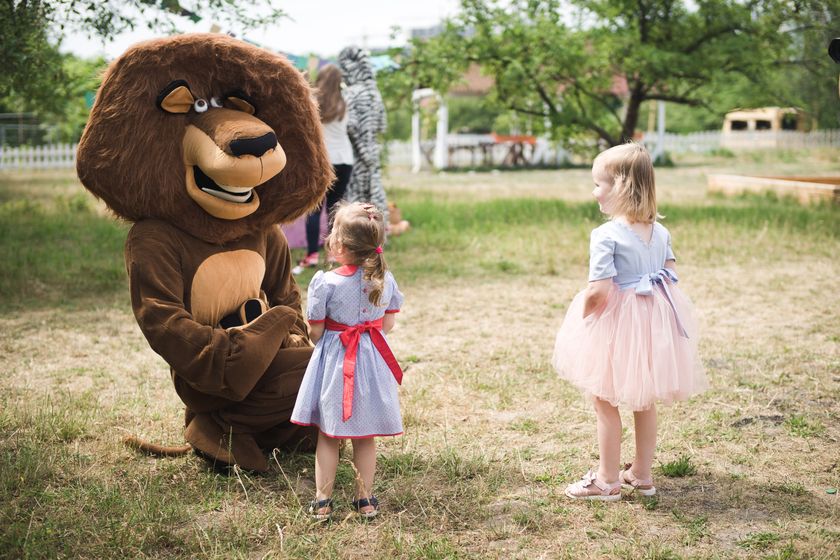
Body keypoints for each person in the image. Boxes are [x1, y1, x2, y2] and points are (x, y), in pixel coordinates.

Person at [552, 142, 706, 501]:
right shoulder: (660, 232)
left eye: (598, 184)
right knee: (643, 398)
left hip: (616, 324)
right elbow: (669, 274)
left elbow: (600, 291)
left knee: (603, 398)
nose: (594, 192)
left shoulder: (606, 235)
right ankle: (642, 473)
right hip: (653, 323)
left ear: (619, 187)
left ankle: (607, 479)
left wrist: (583, 315)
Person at [291, 202, 404, 520]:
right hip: (371, 364)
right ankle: (365, 501)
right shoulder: (384, 280)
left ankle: (323, 502)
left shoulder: (325, 283)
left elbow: (316, 331)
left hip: (336, 365)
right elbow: (387, 326)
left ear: (338, 244)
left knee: (329, 434)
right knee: (364, 436)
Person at [294, 64, 355, 274]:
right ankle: (333, 254)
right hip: (344, 160)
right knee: (335, 210)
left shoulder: (312, 102)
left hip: (322, 161)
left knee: (314, 209)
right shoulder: (345, 104)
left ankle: (311, 255)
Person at [337, 46, 389, 225]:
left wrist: (361, 150)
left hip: (356, 155)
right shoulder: (375, 93)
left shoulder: (350, 94)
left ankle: (356, 235)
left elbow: (350, 127)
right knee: (373, 194)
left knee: (355, 198)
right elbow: (382, 125)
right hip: (373, 151)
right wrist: (370, 151)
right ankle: (377, 232)